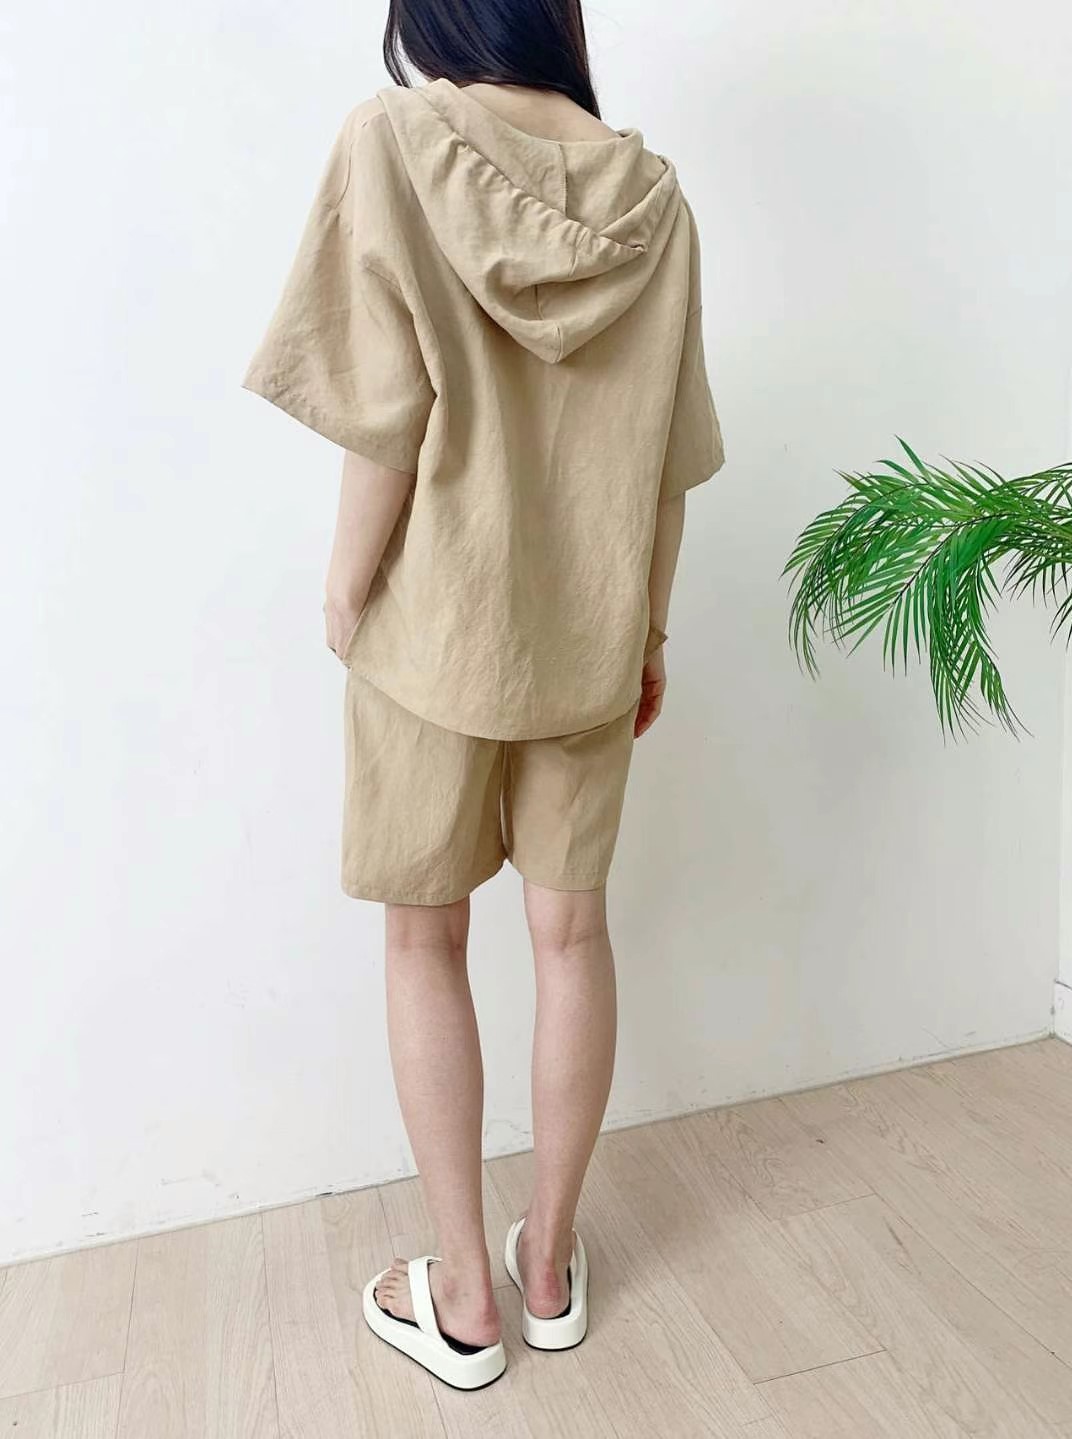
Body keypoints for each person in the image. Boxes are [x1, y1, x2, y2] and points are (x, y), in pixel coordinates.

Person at [243, 0, 724, 1392]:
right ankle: (550, 1267)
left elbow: (382, 420)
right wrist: (646, 632)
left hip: (432, 631)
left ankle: (462, 1298)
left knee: (424, 944)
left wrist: (347, 589)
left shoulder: (392, 143)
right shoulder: (656, 202)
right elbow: (667, 463)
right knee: (574, 939)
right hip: (589, 634)